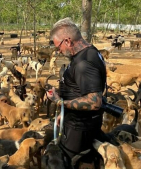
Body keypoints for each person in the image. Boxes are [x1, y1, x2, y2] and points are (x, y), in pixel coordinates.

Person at [46, 18, 107, 169]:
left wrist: (60, 103)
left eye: (58, 47)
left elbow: (94, 101)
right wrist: (64, 112)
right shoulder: (90, 52)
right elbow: (79, 90)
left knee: (69, 164)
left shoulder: (83, 63)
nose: (58, 52)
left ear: (67, 41)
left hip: (79, 129)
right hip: (80, 123)